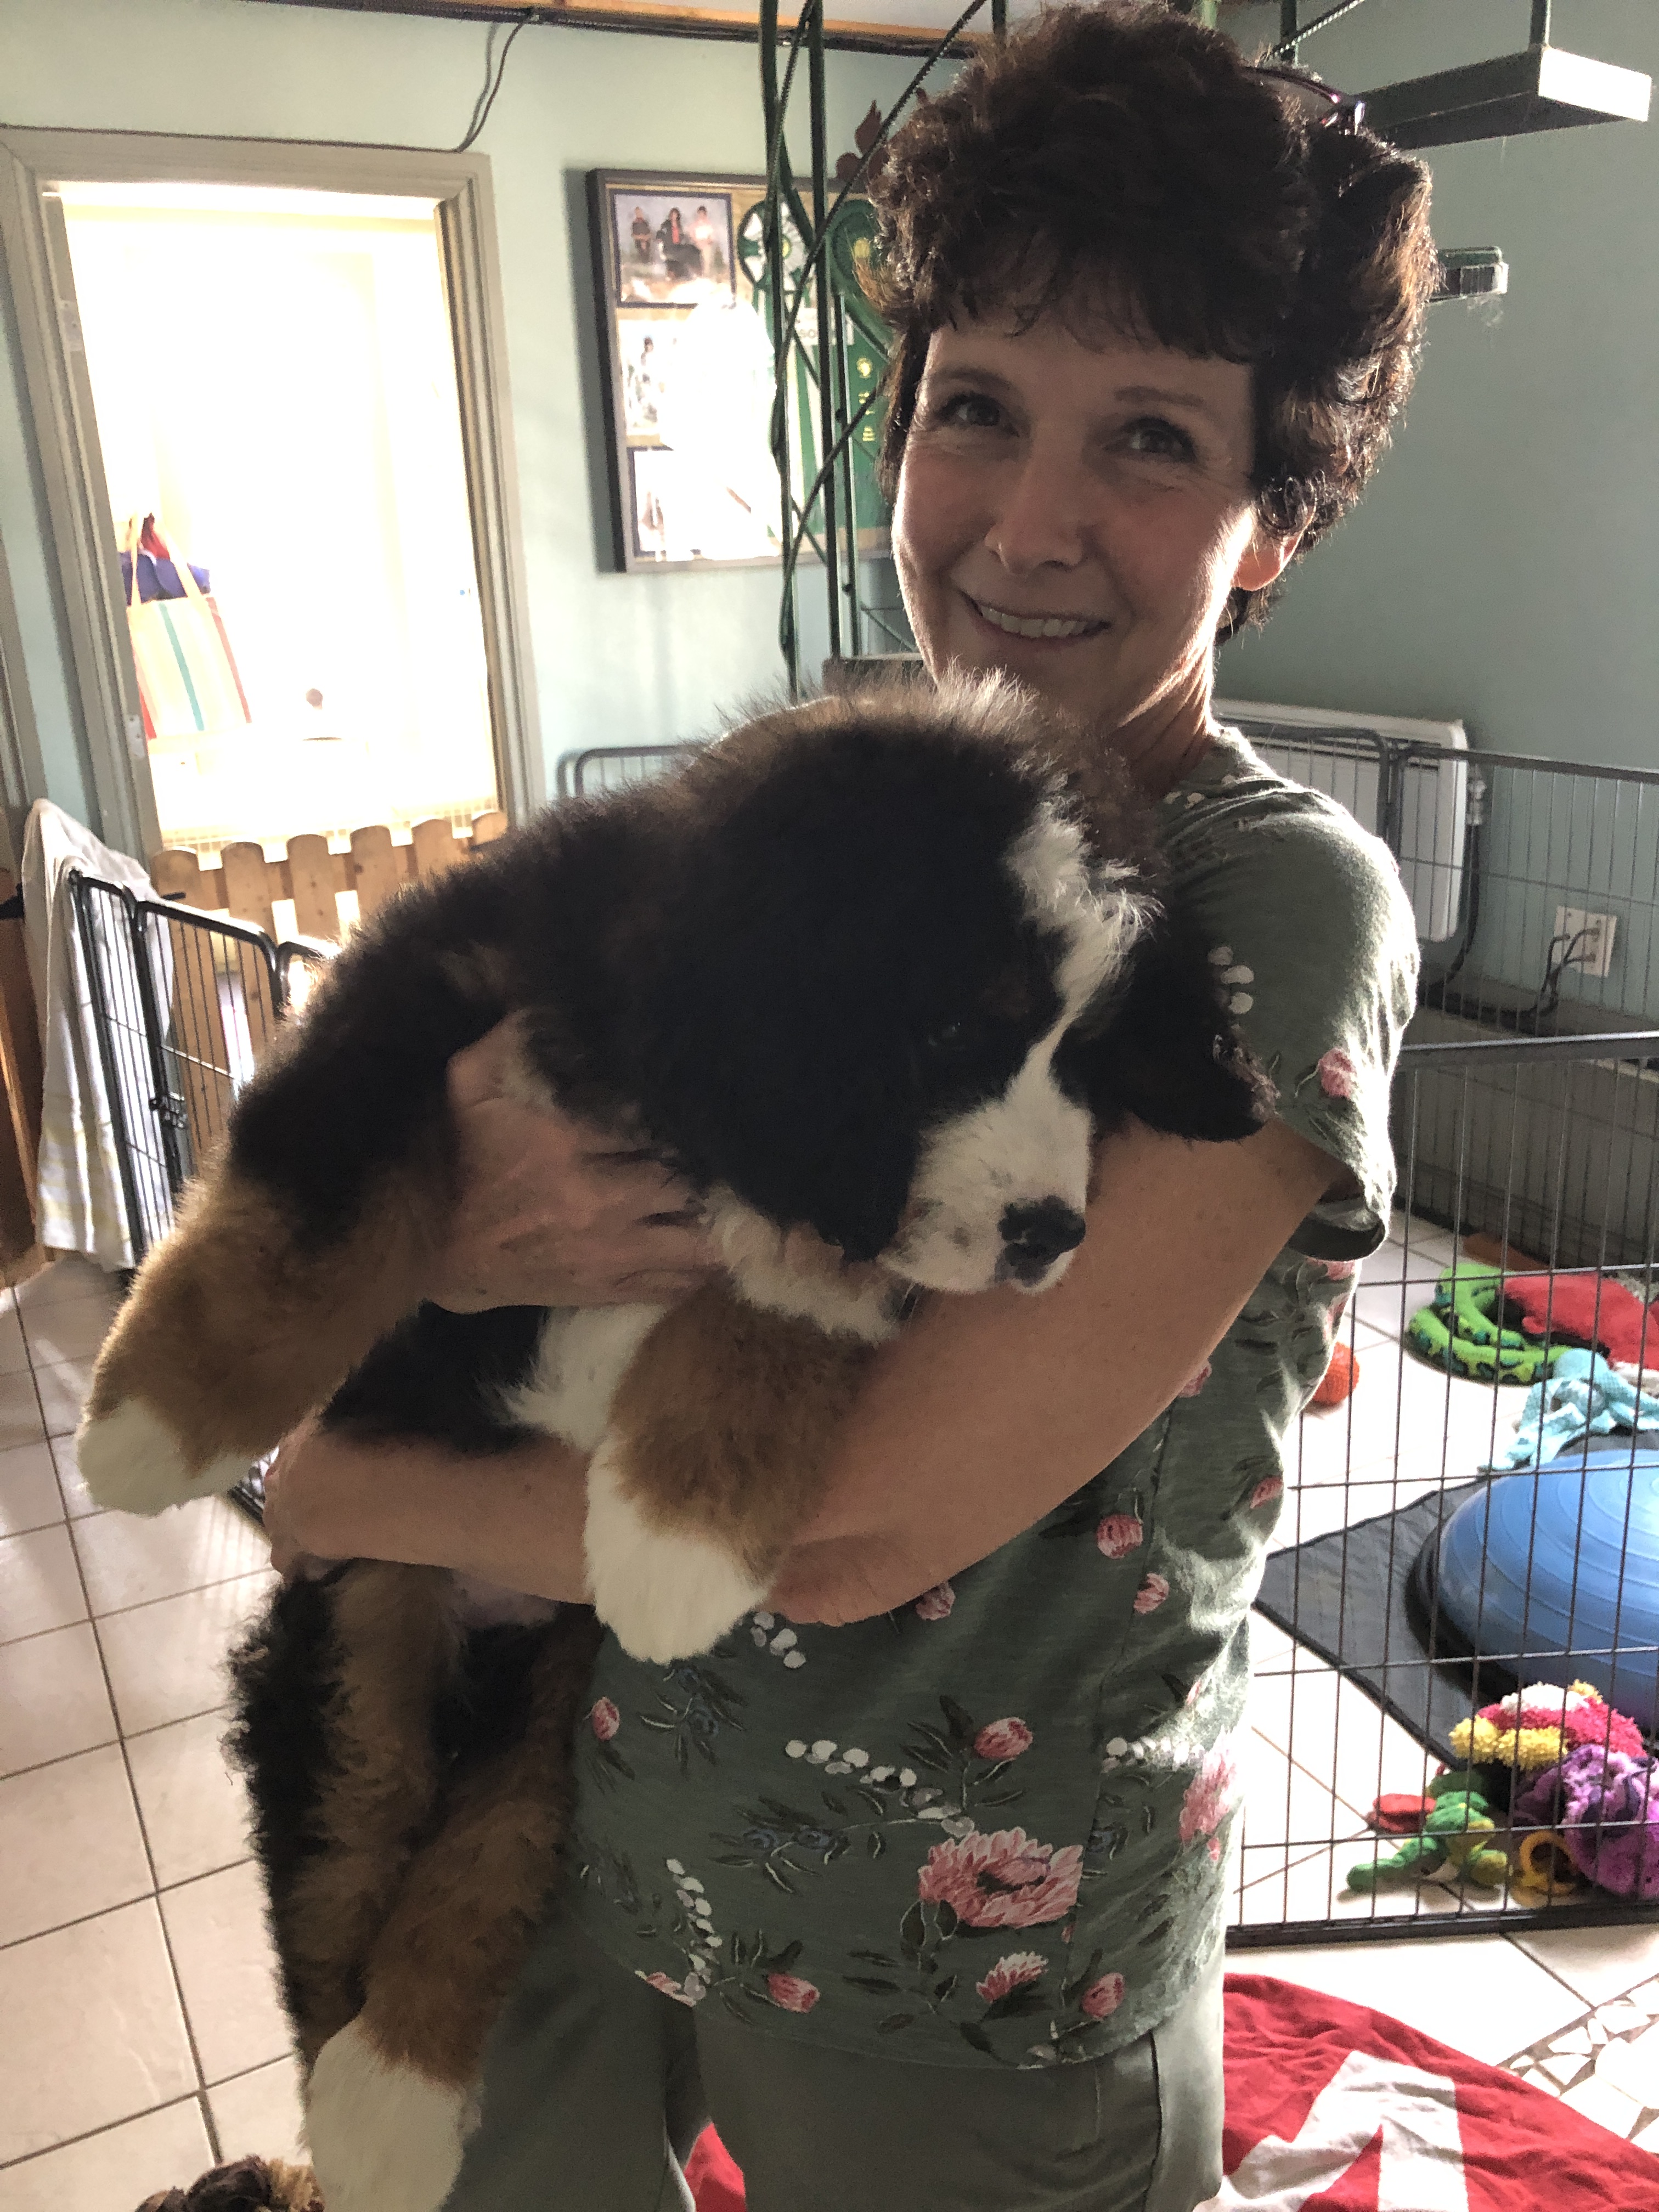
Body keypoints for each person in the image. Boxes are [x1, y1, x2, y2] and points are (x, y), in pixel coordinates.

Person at [266, 5, 1435, 2207]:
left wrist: (348, 1485)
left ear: (1272, 520)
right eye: (978, 408)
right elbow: (545, 1171)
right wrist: (429, 1245)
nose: (1028, 523)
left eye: (1154, 442)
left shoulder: (1275, 906)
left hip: (970, 1972)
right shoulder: (834, 787)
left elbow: (854, 1524)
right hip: (610, 1828)